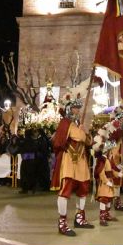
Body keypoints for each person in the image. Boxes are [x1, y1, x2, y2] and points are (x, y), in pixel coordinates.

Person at [51, 94, 94, 236]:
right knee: (65, 192)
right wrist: (83, 131)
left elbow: (89, 141)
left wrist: (83, 131)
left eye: (78, 108)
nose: (77, 110)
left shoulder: (76, 125)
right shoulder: (65, 123)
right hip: (69, 161)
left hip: (81, 162)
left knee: (83, 190)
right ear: (69, 108)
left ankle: (79, 218)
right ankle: (62, 223)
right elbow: (81, 137)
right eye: (75, 108)